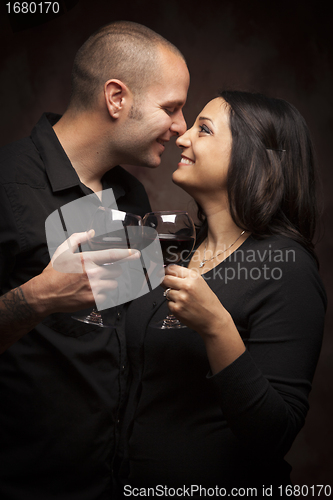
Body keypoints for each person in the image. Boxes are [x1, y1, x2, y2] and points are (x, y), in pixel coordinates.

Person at [0, 21, 189, 500]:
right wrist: (36, 298)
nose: (181, 126)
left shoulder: (131, 193)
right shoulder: (7, 185)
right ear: (116, 98)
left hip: (107, 479)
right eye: (171, 108)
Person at [118, 91, 327, 497]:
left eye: (204, 129)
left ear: (255, 158)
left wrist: (216, 327)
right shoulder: (179, 247)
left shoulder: (288, 267)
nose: (182, 137)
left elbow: (274, 436)